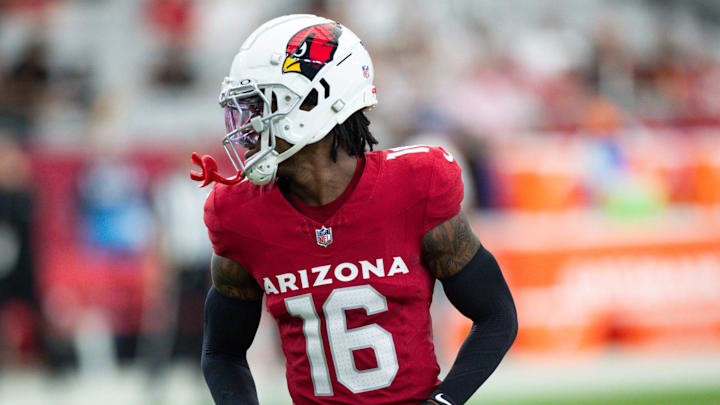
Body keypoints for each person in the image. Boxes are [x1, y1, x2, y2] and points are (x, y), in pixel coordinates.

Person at [191, 14, 517, 405]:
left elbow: (496, 314)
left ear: (316, 100)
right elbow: (222, 353)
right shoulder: (239, 215)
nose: (248, 127)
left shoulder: (415, 184)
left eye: (260, 106)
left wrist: (443, 401)